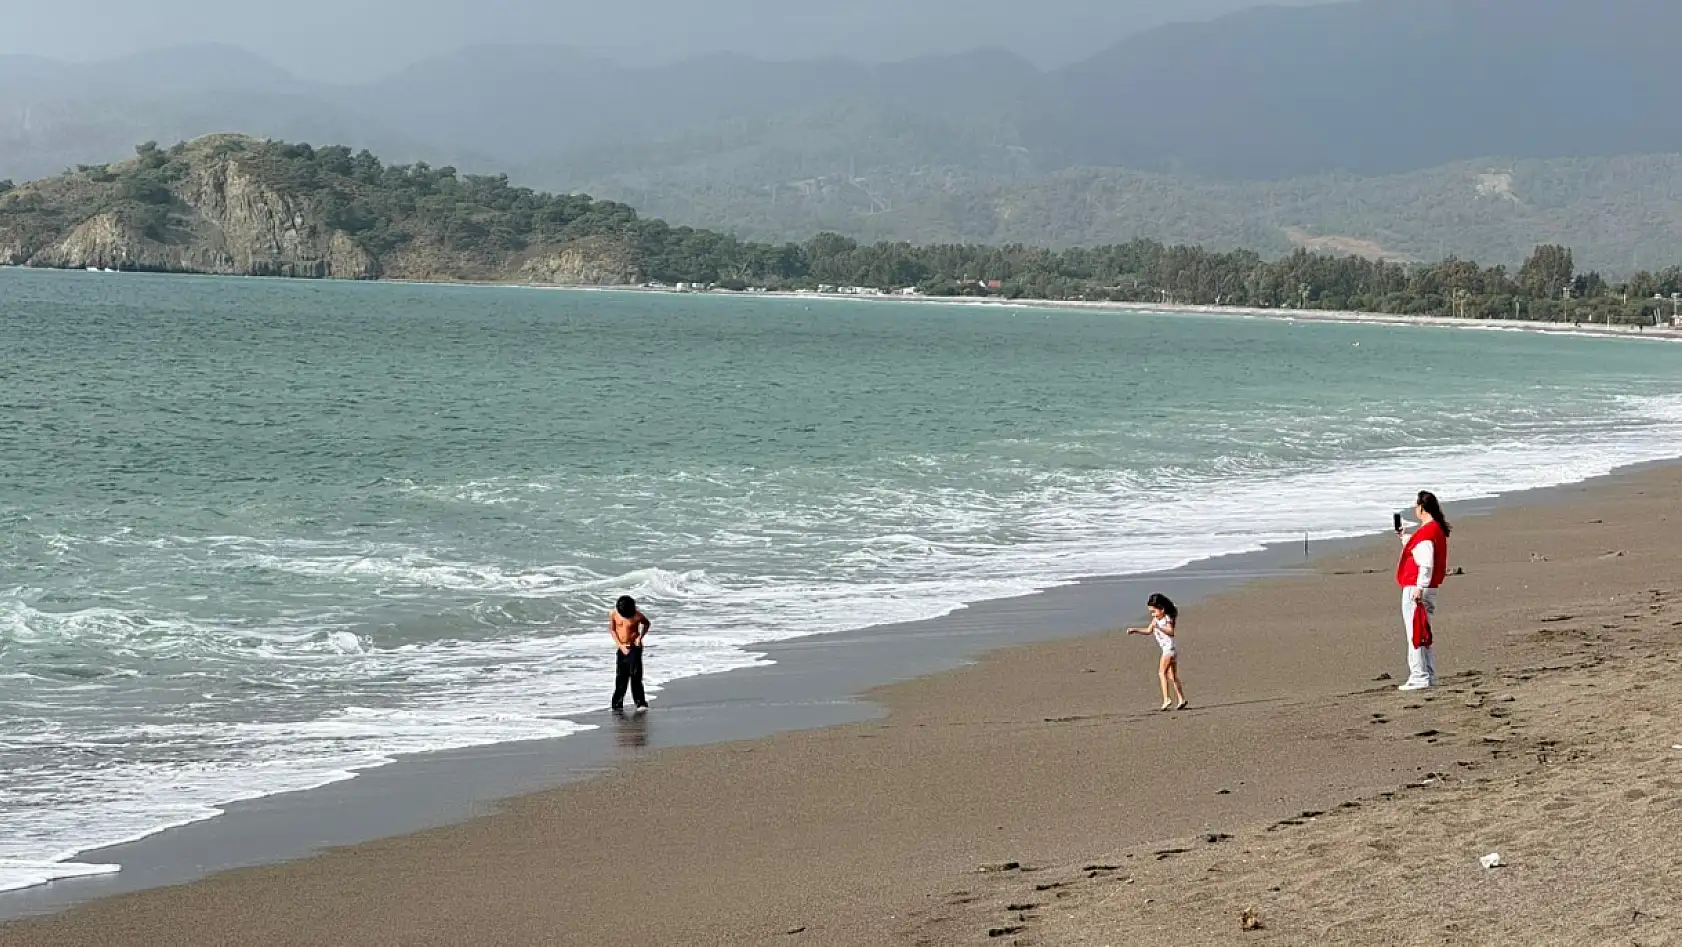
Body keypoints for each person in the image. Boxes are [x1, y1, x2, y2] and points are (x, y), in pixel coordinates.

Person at [1396, 490, 1451, 691]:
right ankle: (1428, 673)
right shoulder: (1434, 529)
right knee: (1423, 631)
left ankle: (1419, 675)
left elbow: (1425, 562)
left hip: (1417, 587)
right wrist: (1405, 539)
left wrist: (1419, 586)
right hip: (1427, 587)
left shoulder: (1428, 531)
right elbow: (1422, 552)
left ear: (1421, 507)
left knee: (1415, 632)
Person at [1127, 593, 1187, 711]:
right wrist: (1135, 630)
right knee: (1172, 676)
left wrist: (1160, 628)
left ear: (1162, 609)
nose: (1153, 614)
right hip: (1171, 649)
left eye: (1154, 611)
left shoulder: (1166, 619)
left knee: (1161, 673)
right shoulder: (1155, 620)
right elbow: (1148, 630)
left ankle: (1166, 698)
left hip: (1169, 649)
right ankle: (1181, 699)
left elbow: (1171, 632)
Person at [610, 595, 651, 712]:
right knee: (620, 677)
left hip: (634, 647)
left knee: (635, 676)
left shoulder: (637, 615)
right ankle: (617, 705)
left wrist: (640, 637)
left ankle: (640, 703)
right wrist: (620, 645)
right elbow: (612, 630)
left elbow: (647, 623)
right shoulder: (613, 613)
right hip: (622, 648)